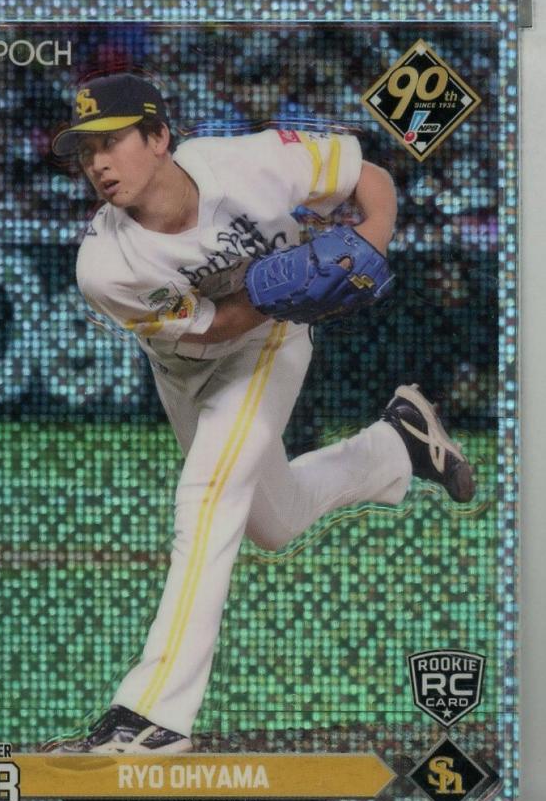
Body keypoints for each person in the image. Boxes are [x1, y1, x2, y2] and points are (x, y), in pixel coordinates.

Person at [47, 73, 474, 755]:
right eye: (84, 150)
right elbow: (211, 328)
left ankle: (152, 713)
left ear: (158, 137)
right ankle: (397, 444)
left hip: (267, 344)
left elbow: (367, 178)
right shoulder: (104, 265)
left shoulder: (247, 163)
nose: (96, 162)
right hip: (187, 364)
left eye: (111, 141)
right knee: (272, 523)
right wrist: (275, 286)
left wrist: (370, 241)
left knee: (207, 496)